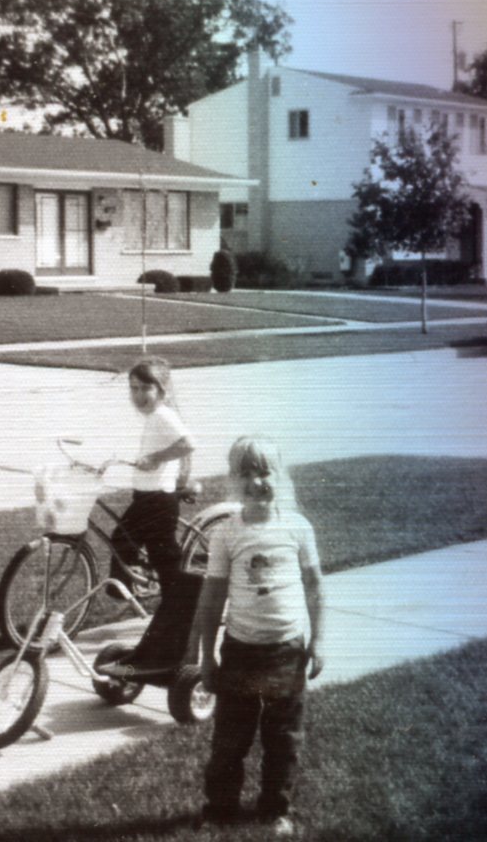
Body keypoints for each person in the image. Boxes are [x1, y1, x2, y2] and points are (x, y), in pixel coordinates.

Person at [195, 436, 325, 838]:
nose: (256, 482)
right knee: (230, 740)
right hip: (240, 652)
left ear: (280, 476)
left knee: (283, 740)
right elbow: (212, 598)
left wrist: (318, 640)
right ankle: (220, 810)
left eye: (264, 472)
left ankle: (275, 810)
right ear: (233, 481)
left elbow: (315, 588)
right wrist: (206, 656)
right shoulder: (226, 534)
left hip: (287, 652)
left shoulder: (297, 528)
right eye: (245, 474)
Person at [108, 357, 195, 600]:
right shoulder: (154, 416)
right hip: (147, 497)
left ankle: (181, 604)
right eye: (134, 388)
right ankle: (132, 587)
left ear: (161, 390)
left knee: (163, 559)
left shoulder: (162, 415)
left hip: (158, 501)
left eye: (146, 388)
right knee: (123, 540)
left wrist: (156, 458)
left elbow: (188, 444)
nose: (138, 395)